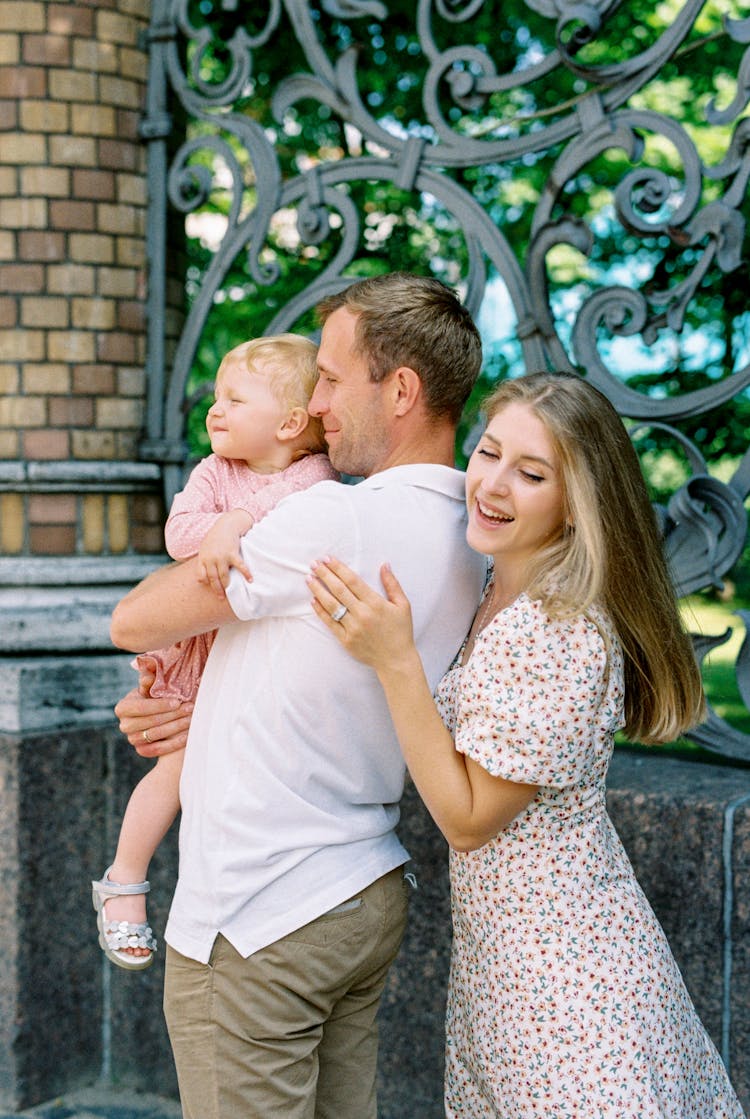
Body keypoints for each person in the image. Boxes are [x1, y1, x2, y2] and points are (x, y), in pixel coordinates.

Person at [307, 370, 745, 1118]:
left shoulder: (559, 629)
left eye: (531, 472)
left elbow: (470, 818)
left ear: (577, 506)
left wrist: (397, 660)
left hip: (573, 990)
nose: (492, 484)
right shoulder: (489, 584)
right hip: (502, 973)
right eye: (488, 452)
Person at [109, 272, 488, 1119]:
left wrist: (227, 529)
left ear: (400, 390)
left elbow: (134, 617)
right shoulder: (471, 526)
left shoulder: (334, 520)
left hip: (262, 909)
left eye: (328, 377)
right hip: (363, 888)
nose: (315, 405)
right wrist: (186, 717)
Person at [93, 333, 338, 971]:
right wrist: (225, 527)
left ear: (289, 422)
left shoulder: (317, 480)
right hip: (197, 651)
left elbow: (293, 525)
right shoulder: (212, 471)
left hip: (258, 662)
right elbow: (180, 535)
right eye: (216, 397)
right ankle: (124, 882)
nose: (215, 410)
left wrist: (238, 523)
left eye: (235, 399)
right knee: (173, 770)